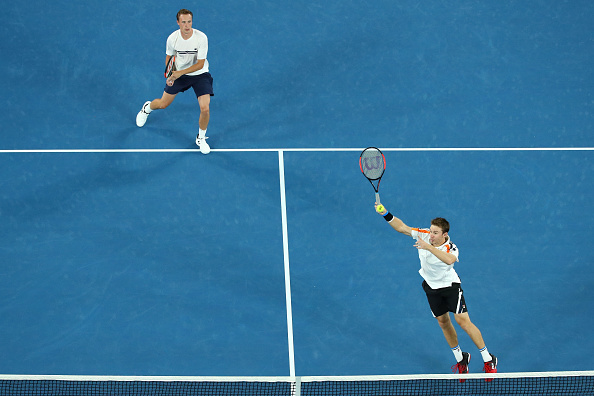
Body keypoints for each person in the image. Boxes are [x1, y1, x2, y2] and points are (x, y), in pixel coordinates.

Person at [374, 203, 497, 381]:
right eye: (430, 231)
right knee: (443, 322)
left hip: (450, 287)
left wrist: (428, 247)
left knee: (463, 321)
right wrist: (385, 213)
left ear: (445, 234)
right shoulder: (424, 235)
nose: (431, 235)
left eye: (435, 232)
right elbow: (402, 228)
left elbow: (448, 260)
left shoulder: (451, 247)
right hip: (431, 288)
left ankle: (488, 359)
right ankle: (461, 359)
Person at [136, 9, 214, 154]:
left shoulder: (201, 37)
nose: (187, 25)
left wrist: (180, 73)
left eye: (189, 22)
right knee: (162, 104)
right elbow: (169, 58)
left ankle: (201, 138)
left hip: (199, 74)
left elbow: (200, 64)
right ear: (178, 22)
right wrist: (171, 74)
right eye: (183, 22)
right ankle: (147, 108)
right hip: (178, 74)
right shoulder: (172, 39)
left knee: (205, 108)